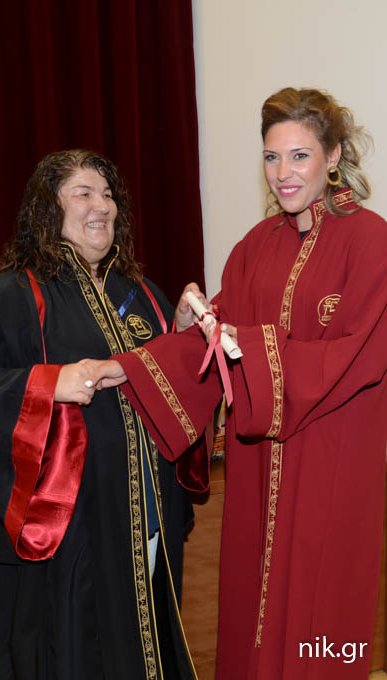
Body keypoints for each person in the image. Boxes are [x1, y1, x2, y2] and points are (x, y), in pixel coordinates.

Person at [84, 88, 387, 680]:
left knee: (322, 618)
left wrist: (247, 344)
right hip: (257, 463)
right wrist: (129, 364)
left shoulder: (371, 241)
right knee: (252, 607)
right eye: (272, 157)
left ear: (333, 155)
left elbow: (359, 354)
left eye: (299, 156)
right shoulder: (255, 247)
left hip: (331, 457)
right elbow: (212, 344)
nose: (283, 173)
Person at [0, 149, 199, 680]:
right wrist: (47, 384)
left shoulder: (141, 293)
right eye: (83, 193)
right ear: (47, 208)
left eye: (108, 195)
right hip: (67, 534)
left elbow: (163, 390)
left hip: (146, 525)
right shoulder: (11, 294)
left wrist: (182, 335)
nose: (102, 205)